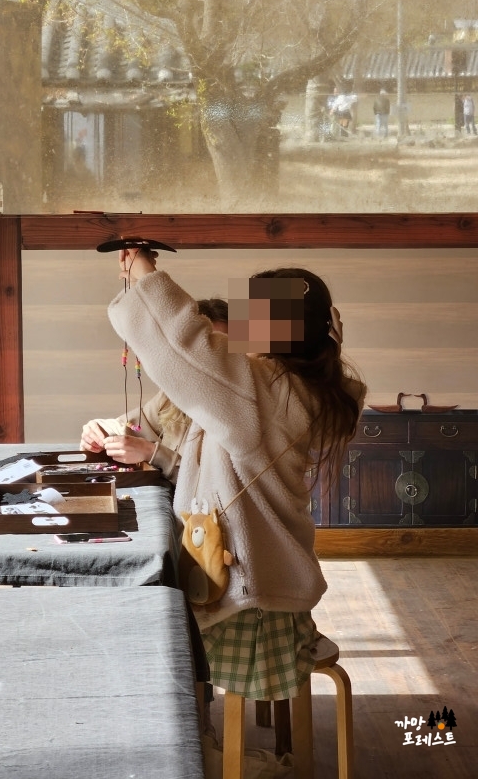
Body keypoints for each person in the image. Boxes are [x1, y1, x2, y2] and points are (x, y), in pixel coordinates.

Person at [104, 246, 366, 703]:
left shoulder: (259, 389)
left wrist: (146, 275)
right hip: (274, 585)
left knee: (151, 653)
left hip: (247, 594)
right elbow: (195, 355)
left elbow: (187, 347)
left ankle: (201, 744)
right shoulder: (314, 388)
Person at [80, 298, 229, 484]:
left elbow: (214, 487)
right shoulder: (172, 399)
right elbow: (130, 427)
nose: (207, 360)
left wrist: (153, 453)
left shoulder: (241, 416)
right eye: (198, 349)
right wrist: (99, 431)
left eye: (221, 349)